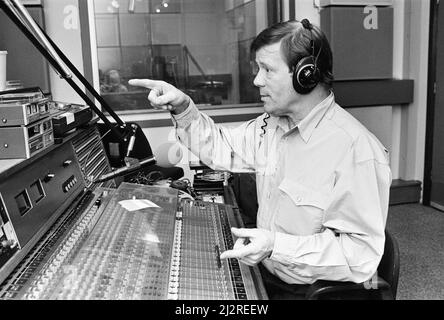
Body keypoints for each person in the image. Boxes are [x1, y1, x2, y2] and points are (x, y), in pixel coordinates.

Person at [128, 19, 392, 299]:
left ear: (306, 75)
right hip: (265, 271)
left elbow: (359, 255)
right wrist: (183, 108)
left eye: (267, 69)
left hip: (306, 291)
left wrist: (275, 245)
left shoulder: (356, 150)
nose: (256, 80)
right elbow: (221, 147)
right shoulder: (273, 125)